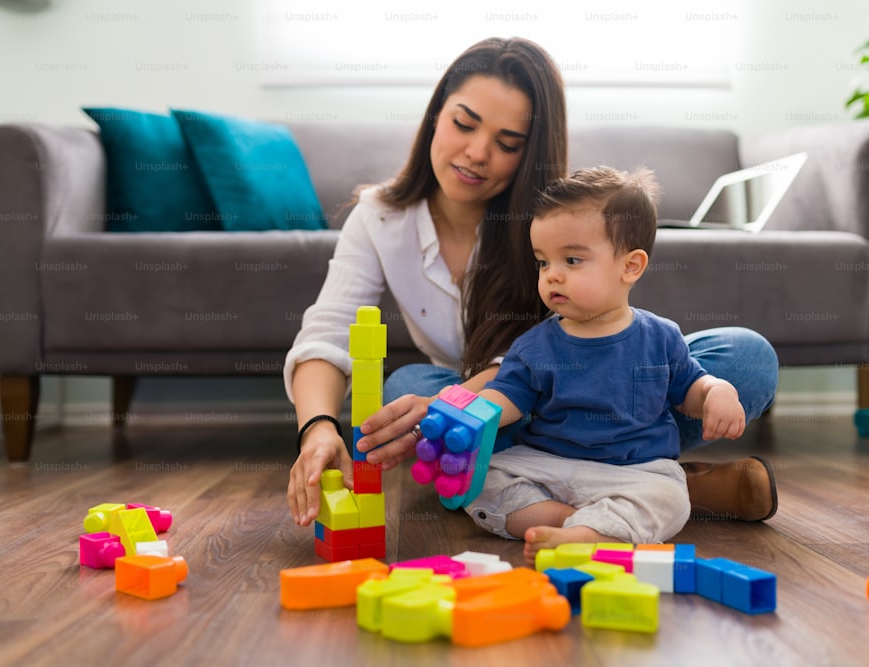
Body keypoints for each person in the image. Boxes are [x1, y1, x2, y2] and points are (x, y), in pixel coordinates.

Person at [284, 36, 778, 530]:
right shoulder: (379, 218)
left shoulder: (549, 219)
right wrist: (320, 429)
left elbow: (578, 346)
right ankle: (663, 490)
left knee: (745, 359)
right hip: (509, 416)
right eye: (463, 123)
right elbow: (329, 333)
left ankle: (594, 487)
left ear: (529, 152)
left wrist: (712, 392)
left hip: (588, 403)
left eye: (507, 144)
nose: (477, 153)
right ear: (436, 114)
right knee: (411, 387)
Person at [469, 166, 745, 564]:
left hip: (634, 471)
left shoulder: (660, 336)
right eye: (543, 263)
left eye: (572, 260)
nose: (552, 277)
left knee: (669, 498)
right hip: (549, 464)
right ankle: (569, 522)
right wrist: (479, 412)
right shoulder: (536, 344)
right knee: (484, 477)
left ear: (630, 266)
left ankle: (587, 532)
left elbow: (691, 387)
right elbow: (507, 393)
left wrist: (719, 392)